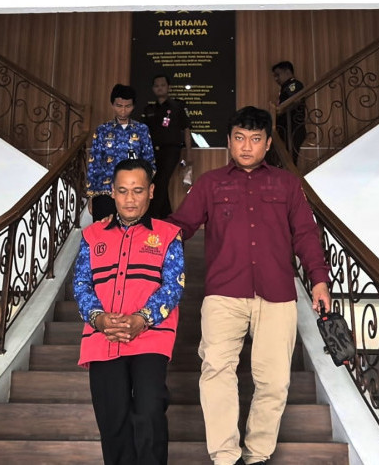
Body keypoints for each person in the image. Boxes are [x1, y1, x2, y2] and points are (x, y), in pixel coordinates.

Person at [167, 106, 331, 465]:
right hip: (224, 294)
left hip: (277, 294)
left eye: (255, 139)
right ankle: (225, 457)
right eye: (239, 138)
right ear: (228, 141)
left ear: (268, 143)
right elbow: (182, 226)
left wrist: (319, 280)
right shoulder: (210, 183)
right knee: (216, 372)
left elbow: (305, 234)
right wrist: (142, 233)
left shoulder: (287, 184)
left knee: (274, 381)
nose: (246, 146)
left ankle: (257, 455)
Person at [74, 158, 185, 465]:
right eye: (122, 191)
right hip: (102, 340)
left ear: (151, 191)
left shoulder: (168, 235)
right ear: (112, 192)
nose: (130, 198)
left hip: (150, 339)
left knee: (150, 412)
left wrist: (142, 319)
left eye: (138, 190)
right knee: (113, 421)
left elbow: (173, 286)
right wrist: (98, 319)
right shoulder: (92, 235)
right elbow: (81, 283)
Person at [87, 84, 156, 221]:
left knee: (132, 231)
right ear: (112, 105)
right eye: (119, 106)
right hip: (105, 192)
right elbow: (94, 164)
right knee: (104, 230)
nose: (123, 111)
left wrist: (143, 188)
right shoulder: (102, 130)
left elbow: (150, 163)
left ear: (133, 106)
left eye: (127, 106)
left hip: (133, 193)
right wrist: (91, 195)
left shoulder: (141, 129)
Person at [142, 74, 192, 219]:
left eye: (162, 85)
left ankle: (153, 217)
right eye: (156, 86)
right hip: (152, 152)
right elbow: (143, 133)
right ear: (153, 88)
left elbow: (187, 129)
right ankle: (167, 217)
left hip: (171, 150)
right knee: (156, 182)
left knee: (160, 181)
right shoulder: (149, 109)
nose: (160, 88)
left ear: (168, 87)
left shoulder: (178, 106)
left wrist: (189, 153)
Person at [272, 61, 307, 165]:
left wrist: (279, 110)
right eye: (274, 76)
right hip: (286, 129)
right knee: (284, 159)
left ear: (287, 72)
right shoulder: (285, 88)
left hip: (293, 128)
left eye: (278, 75)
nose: (276, 79)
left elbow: (295, 101)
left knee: (289, 161)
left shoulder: (294, 84)